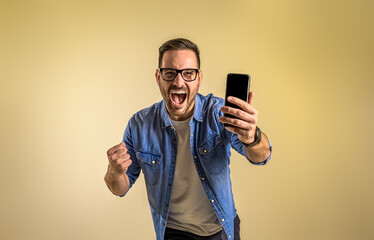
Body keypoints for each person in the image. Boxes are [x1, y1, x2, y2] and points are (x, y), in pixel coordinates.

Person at [105, 38, 272, 240]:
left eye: (188, 73)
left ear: (199, 79)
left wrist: (251, 137)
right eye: (170, 73)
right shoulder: (139, 125)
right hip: (174, 231)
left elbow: (261, 156)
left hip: (220, 228)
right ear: (158, 77)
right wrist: (115, 173)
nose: (178, 82)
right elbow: (119, 188)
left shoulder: (219, 113)